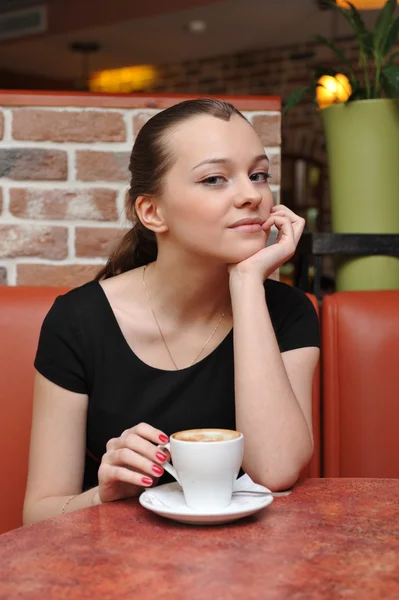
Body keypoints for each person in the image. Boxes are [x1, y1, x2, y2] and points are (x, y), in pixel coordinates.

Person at [23, 98, 320, 524]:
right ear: (152, 211)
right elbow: (39, 514)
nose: (251, 195)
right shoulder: (78, 321)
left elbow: (275, 470)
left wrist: (247, 282)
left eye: (258, 175)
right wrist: (104, 494)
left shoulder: (288, 312)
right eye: (215, 179)